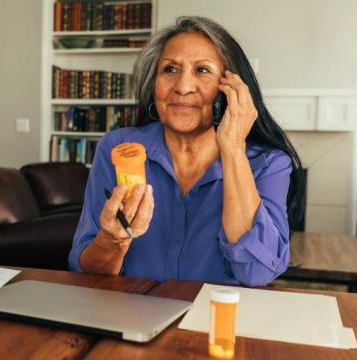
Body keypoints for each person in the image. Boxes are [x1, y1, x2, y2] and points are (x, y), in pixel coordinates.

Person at [68, 16, 305, 286]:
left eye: (202, 70)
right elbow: (85, 269)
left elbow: (257, 273)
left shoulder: (269, 163)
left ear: (231, 89)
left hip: (215, 320)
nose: (182, 87)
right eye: (170, 69)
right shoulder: (119, 148)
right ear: (153, 84)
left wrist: (233, 149)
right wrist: (112, 241)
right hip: (131, 316)